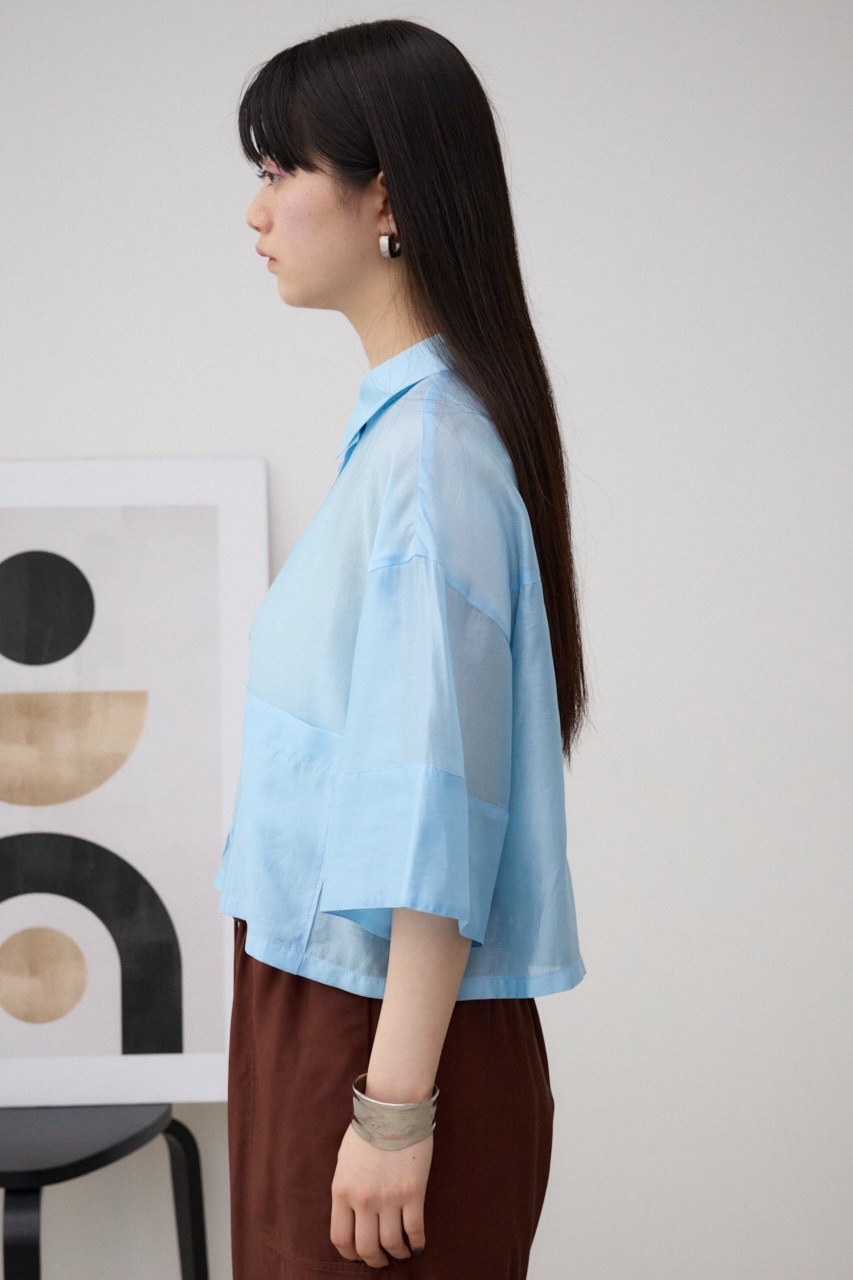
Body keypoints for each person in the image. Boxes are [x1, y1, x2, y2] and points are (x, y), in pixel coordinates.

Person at [214, 17, 588, 1278]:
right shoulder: (410, 436)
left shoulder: (430, 458)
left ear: (385, 197)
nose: (256, 210)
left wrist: (390, 1110)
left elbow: (433, 818)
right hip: (331, 1013)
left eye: (281, 171)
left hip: (376, 1040)